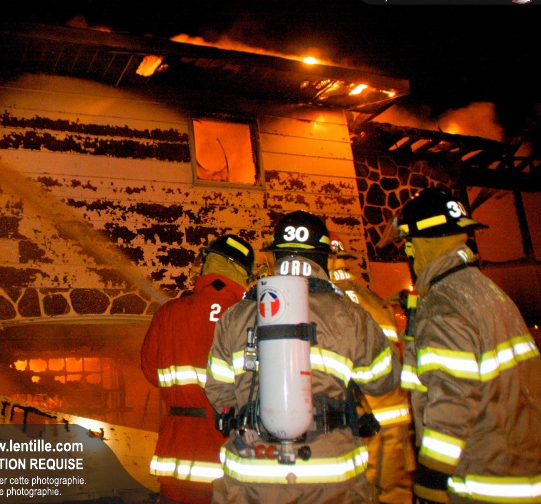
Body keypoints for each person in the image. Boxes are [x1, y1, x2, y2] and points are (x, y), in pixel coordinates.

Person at [205, 210, 401, 503]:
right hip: (331, 478)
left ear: (275, 256)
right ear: (324, 258)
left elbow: (218, 391)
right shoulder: (351, 314)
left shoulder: (236, 315)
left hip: (252, 475)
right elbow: (383, 380)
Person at [393, 187, 541, 503]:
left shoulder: (442, 304)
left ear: (415, 246)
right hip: (521, 464)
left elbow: (452, 401)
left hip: (483, 478)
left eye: (407, 246)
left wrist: (432, 478)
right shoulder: (486, 291)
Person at [141, 234, 256, 503]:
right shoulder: (252, 317)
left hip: (178, 454)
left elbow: (150, 371)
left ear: (206, 264)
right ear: (244, 274)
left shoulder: (169, 313)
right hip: (232, 451)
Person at [328, 234, 415, 504]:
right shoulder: (373, 300)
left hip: (359, 424)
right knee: (394, 494)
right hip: (394, 422)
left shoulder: (329, 304)